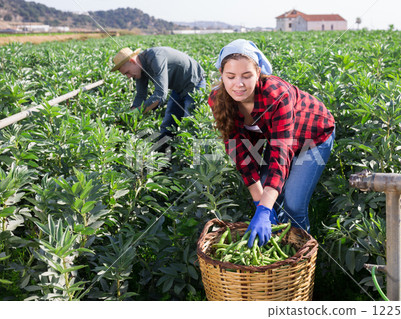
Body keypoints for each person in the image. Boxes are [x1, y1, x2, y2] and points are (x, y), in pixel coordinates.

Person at [208, 39, 335, 248]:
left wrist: (264, 211)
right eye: (230, 77)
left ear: (258, 72)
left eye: (246, 76)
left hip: (313, 137)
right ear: (221, 75)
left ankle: (299, 257)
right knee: (268, 198)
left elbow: (280, 155)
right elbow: (241, 155)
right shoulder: (218, 99)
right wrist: (261, 205)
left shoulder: (276, 95)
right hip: (278, 137)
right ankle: (276, 251)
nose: (238, 84)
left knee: (293, 205)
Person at [111, 47, 206, 140]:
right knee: (168, 125)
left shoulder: (155, 58)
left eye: (127, 72)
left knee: (189, 125)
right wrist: (131, 111)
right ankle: (166, 153)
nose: (128, 77)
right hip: (178, 88)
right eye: (125, 74)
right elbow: (141, 95)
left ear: (133, 61)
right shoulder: (139, 69)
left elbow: (160, 95)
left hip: (194, 83)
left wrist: (138, 112)